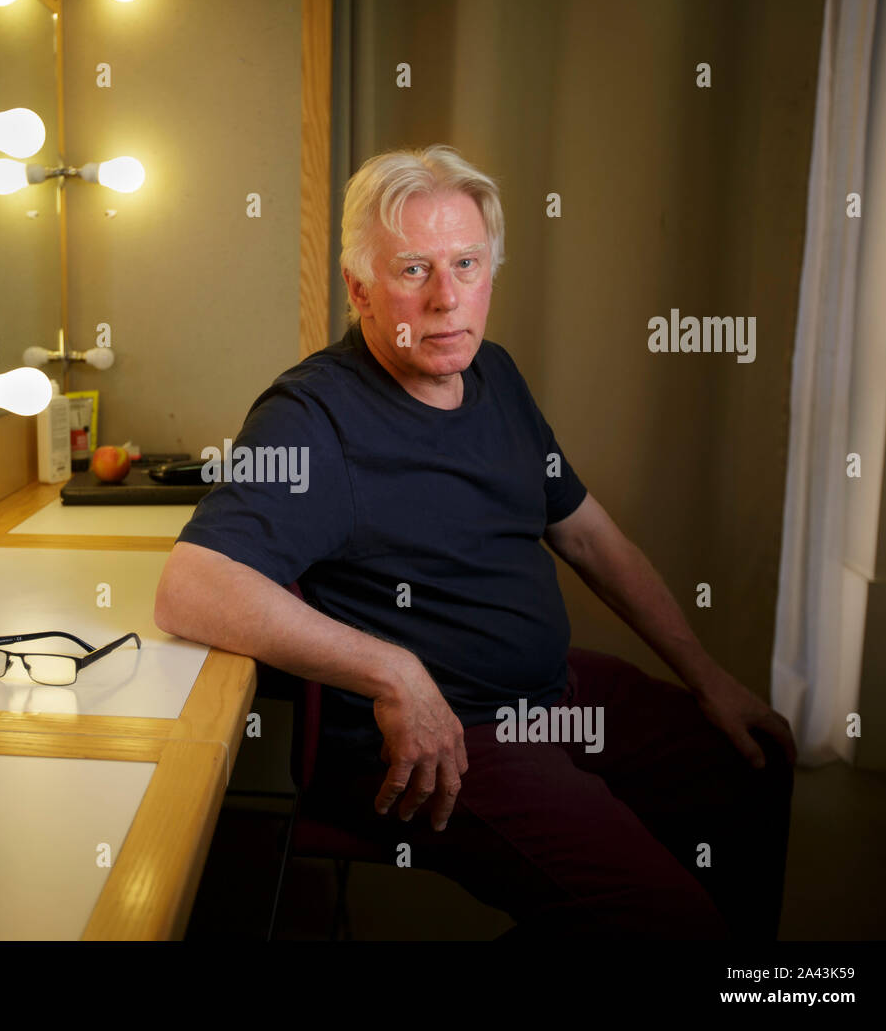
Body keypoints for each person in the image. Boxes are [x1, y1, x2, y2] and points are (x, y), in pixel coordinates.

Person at [154, 144, 796, 938]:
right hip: (444, 742)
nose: (446, 298)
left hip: (550, 697)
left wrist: (707, 678)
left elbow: (589, 535)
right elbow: (191, 585)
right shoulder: (312, 417)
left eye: (467, 262)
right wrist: (392, 668)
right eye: (414, 270)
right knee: (663, 919)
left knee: (752, 761)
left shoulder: (494, 374)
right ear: (358, 288)